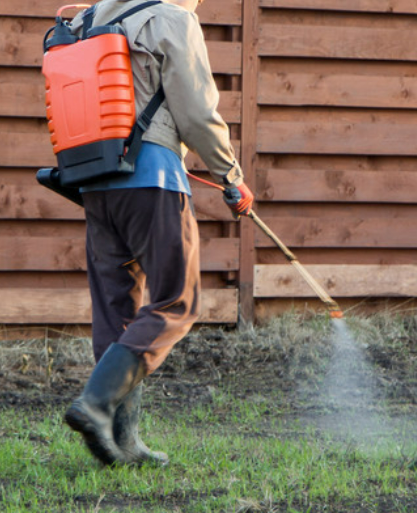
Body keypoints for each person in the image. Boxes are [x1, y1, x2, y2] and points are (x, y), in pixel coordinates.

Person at [61, 0, 253, 466]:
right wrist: (231, 176)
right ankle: (96, 404)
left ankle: (123, 443)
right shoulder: (171, 17)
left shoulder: (90, 19)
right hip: (152, 177)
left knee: (115, 310)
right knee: (176, 300)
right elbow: (197, 111)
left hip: (96, 180)